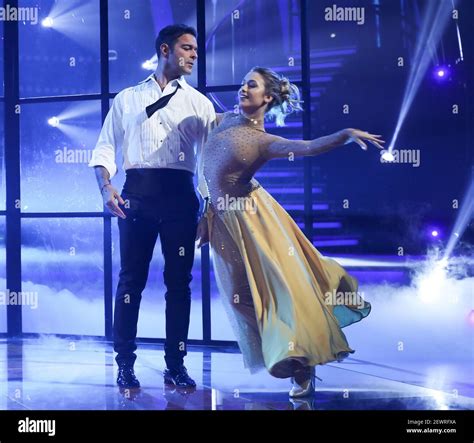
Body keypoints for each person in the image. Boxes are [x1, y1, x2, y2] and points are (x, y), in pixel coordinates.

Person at [196, 67, 383, 398]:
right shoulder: (223, 120)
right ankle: (291, 355)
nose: (243, 89)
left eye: (250, 86)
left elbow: (308, 146)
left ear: (267, 97)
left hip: (252, 221)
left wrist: (343, 134)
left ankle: (298, 363)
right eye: (242, 83)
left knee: (278, 291)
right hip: (221, 221)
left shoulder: (265, 141)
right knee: (240, 300)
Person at [89, 24, 216, 389]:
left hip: (180, 197)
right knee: (130, 280)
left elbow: (208, 161)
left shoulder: (199, 103)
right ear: (165, 49)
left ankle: (175, 364)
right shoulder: (127, 98)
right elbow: (104, 147)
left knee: (179, 285)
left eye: (195, 50)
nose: (194, 55)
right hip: (137, 197)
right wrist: (105, 185)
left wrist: (208, 210)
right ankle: (124, 364)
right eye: (187, 48)